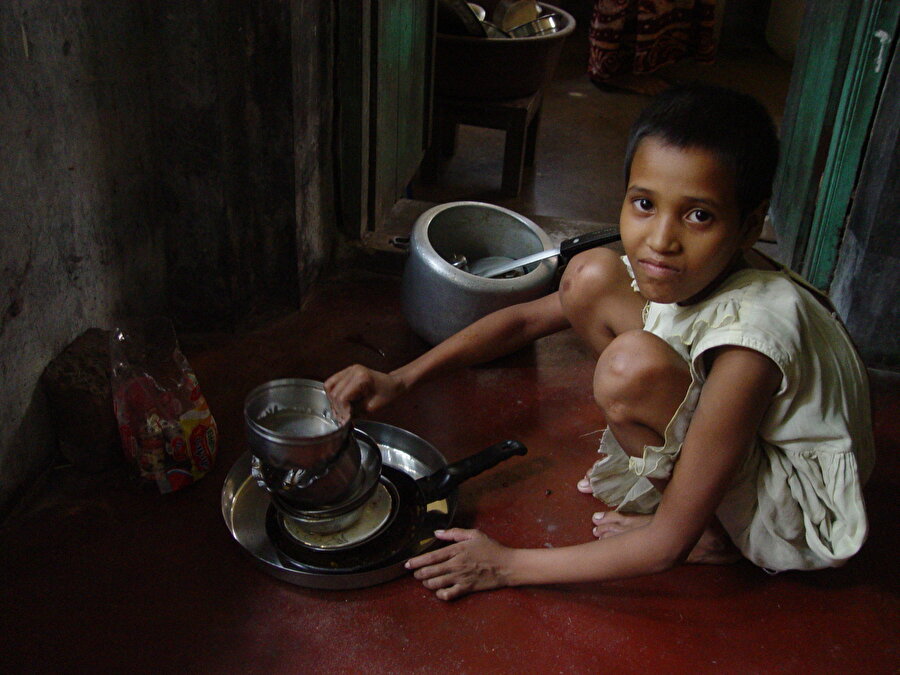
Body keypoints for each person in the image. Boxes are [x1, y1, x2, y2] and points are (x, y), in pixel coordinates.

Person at [325, 83, 875, 601]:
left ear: (749, 227)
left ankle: (716, 534)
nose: (661, 239)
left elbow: (664, 550)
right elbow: (522, 323)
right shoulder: (693, 268)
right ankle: (694, 499)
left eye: (699, 215)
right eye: (644, 204)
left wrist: (505, 564)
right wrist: (399, 378)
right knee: (589, 277)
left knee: (628, 370)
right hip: (749, 433)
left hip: (796, 504)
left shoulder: (749, 347)